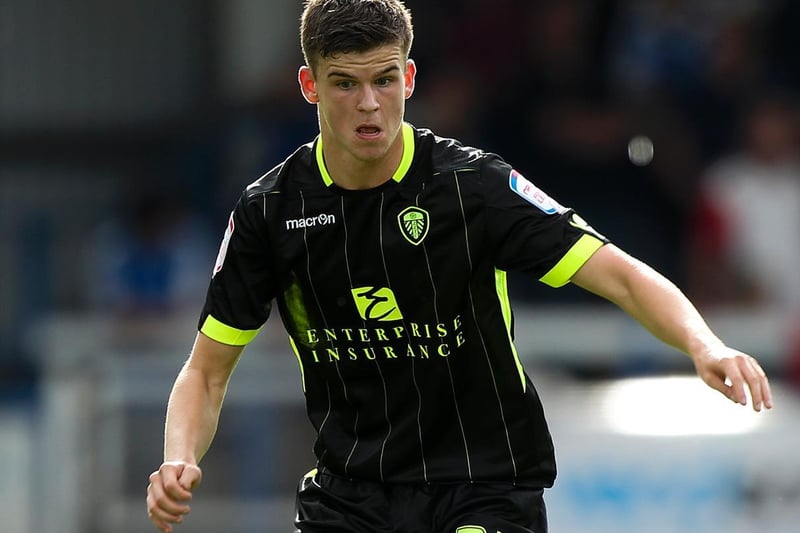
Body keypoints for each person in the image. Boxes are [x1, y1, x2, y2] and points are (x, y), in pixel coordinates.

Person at [146, 1, 773, 532]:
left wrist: (703, 343)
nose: (369, 104)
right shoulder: (270, 212)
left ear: (410, 77)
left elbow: (621, 274)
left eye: (384, 80)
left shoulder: (472, 186)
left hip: (483, 486)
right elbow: (205, 372)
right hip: (350, 497)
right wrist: (178, 458)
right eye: (345, 84)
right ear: (311, 86)